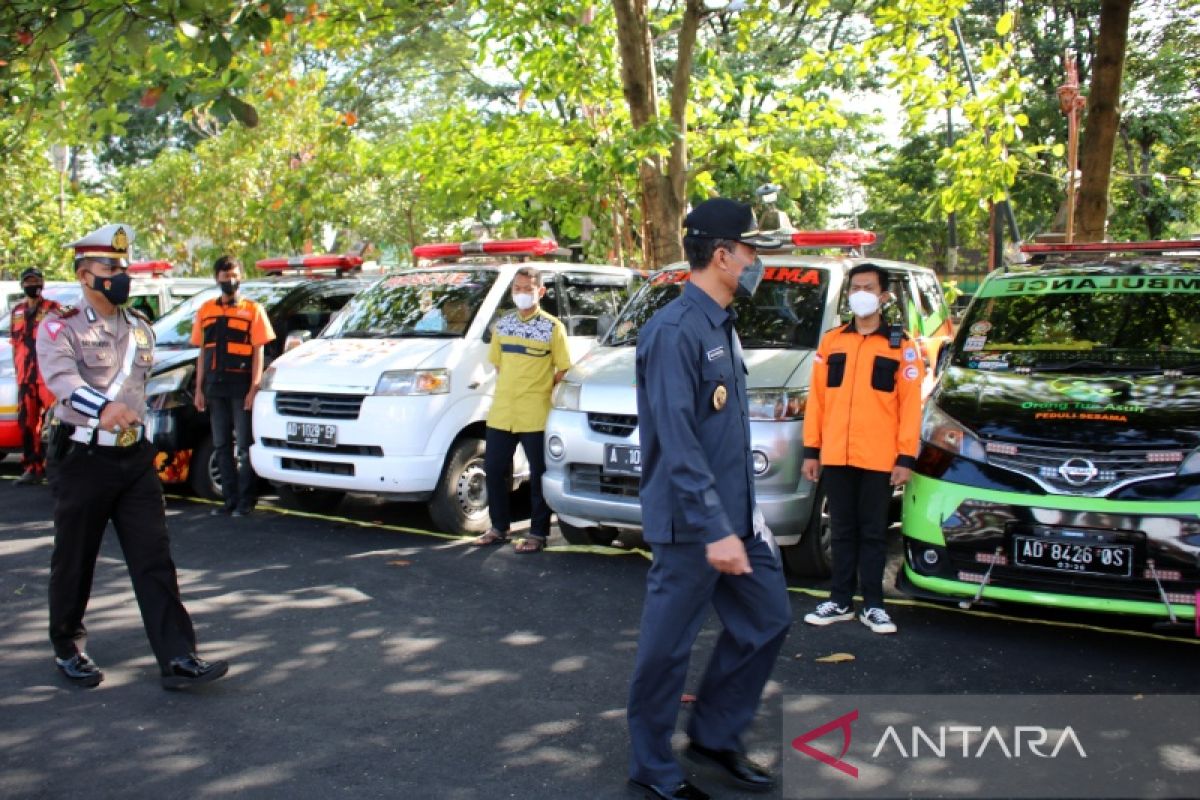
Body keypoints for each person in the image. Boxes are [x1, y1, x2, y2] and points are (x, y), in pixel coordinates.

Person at [627, 198, 792, 800]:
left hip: (735, 519)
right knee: (666, 651)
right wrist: (715, 528)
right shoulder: (673, 331)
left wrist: (743, 519)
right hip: (693, 525)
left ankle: (715, 737)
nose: (757, 263)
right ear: (721, 256)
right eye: (751, 252)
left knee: (768, 618)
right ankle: (652, 766)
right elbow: (677, 439)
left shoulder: (720, 322)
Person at [37, 223, 228, 689]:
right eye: (110, 268)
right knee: (75, 558)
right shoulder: (59, 325)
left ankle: (178, 658)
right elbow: (61, 382)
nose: (120, 275)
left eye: (123, 267)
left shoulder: (140, 328)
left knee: (153, 557)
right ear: (85, 276)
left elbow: (142, 386)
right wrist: (104, 410)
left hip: (133, 461)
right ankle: (67, 645)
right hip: (83, 458)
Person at [800, 263, 924, 635]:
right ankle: (839, 600)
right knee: (841, 530)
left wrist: (905, 457)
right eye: (855, 287)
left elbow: (910, 405)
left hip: (878, 458)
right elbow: (818, 400)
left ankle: (873, 605)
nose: (860, 293)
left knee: (872, 533)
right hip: (836, 454)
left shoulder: (902, 346)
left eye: (868, 287)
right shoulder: (833, 341)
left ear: (883, 296)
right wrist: (812, 449)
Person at [471, 267, 571, 553]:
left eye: (528, 288)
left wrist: (539, 387)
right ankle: (498, 528)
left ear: (541, 292)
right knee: (493, 468)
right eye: (517, 288)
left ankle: (538, 533)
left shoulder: (553, 328)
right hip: (502, 410)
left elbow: (563, 368)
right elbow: (498, 363)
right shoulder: (503, 325)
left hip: (535, 413)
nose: (522, 293)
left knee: (539, 474)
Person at [191, 255, 276, 516]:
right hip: (215, 387)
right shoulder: (206, 310)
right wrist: (198, 389)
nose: (231, 280)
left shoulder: (253, 310)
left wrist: (254, 387)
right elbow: (203, 352)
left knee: (244, 446)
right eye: (226, 276)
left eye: (235, 275)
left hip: (241, 387)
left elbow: (258, 351)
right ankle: (229, 500)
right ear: (216, 278)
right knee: (221, 445)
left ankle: (246, 500)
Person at [9, 267, 60, 486]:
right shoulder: (17, 311)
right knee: (27, 424)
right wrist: (16, 373)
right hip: (25, 377)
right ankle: (32, 467)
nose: (32, 285)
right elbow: (14, 344)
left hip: (46, 375)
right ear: (22, 285)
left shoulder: (54, 309)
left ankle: (57, 468)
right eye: (28, 281)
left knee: (57, 423)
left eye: (36, 280)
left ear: (42, 283)